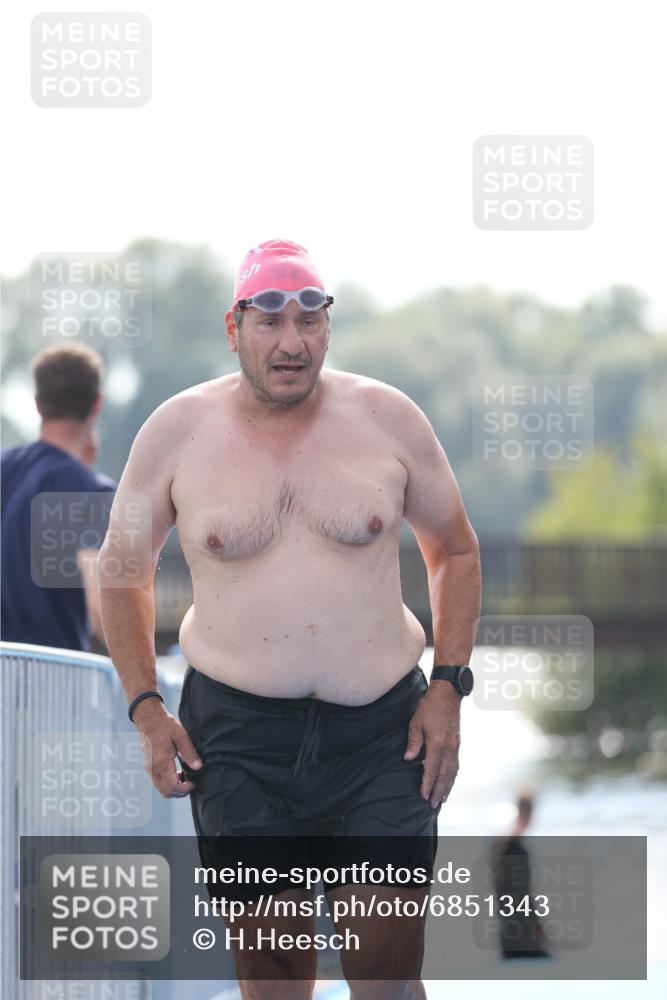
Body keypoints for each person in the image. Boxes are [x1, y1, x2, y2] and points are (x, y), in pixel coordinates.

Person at [99, 239, 481, 1000]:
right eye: (270, 320)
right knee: (273, 980)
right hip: (238, 740)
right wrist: (146, 709)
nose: (292, 341)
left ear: (328, 329)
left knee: (387, 975)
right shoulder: (176, 431)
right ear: (233, 327)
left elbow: (456, 553)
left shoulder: (387, 418)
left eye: (310, 318)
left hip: (382, 733)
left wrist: (447, 687)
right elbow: (121, 574)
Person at [1, 344, 115, 651]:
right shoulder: (94, 493)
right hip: (57, 683)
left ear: (38, 404)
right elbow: (104, 610)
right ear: (96, 403)